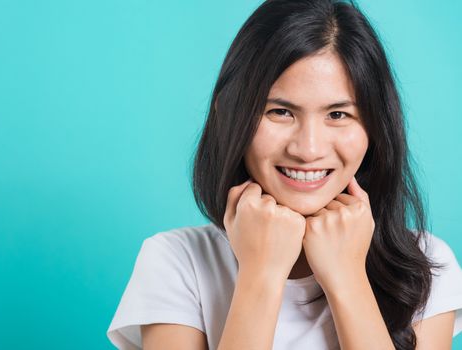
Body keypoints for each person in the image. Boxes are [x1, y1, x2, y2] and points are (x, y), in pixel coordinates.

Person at [107, 0, 462, 349]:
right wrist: (261, 272)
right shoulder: (176, 261)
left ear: (375, 127)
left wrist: (347, 278)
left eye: (338, 115)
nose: (308, 149)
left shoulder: (425, 265)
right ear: (229, 113)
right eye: (280, 112)